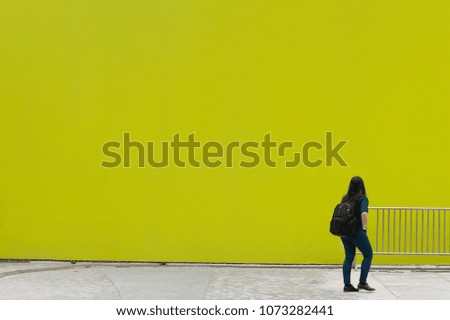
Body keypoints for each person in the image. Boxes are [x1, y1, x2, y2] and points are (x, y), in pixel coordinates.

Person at [341, 176, 375, 292]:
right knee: (368, 254)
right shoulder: (362, 199)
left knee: (349, 257)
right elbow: (364, 214)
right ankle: (362, 282)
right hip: (356, 231)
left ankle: (347, 285)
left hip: (344, 232)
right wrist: (364, 228)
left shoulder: (345, 198)